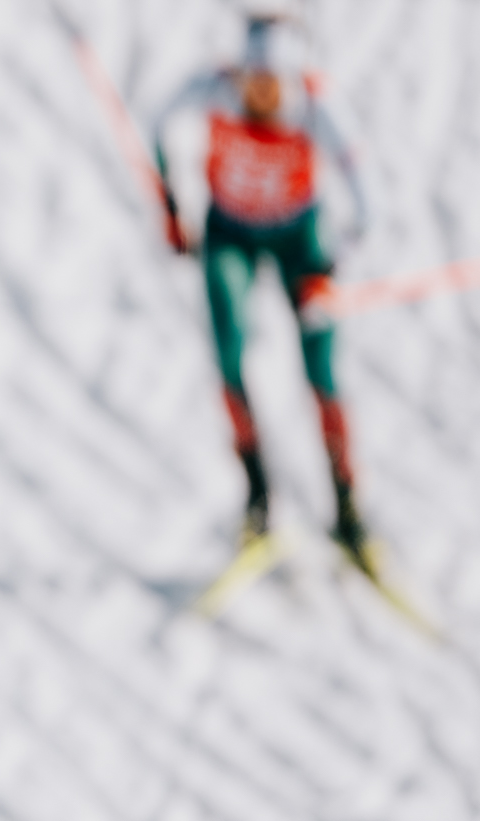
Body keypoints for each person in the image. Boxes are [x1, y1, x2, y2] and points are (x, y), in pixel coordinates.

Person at [151, 11, 371, 557]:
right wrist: (171, 206)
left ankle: (347, 507)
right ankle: (258, 499)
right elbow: (157, 124)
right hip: (231, 232)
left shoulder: (316, 106)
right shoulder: (214, 88)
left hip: (299, 235)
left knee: (321, 366)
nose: (259, 93)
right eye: (252, 78)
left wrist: (330, 272)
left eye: (271, 81)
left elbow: (369, 207)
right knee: (228, 353)